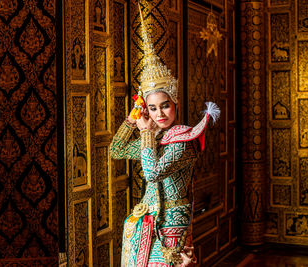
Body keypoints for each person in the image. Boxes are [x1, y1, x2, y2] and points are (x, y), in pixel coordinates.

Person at [110, 6, 220, 267]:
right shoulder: (157, 139)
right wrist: (131, 119)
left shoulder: (184, 140)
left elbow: (152, 173)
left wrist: (147, 133)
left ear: (176, 103)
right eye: (152, 108)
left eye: (165, 105)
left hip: (173, 225)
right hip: (146, 222)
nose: (159, 113)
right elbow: (117, 149)